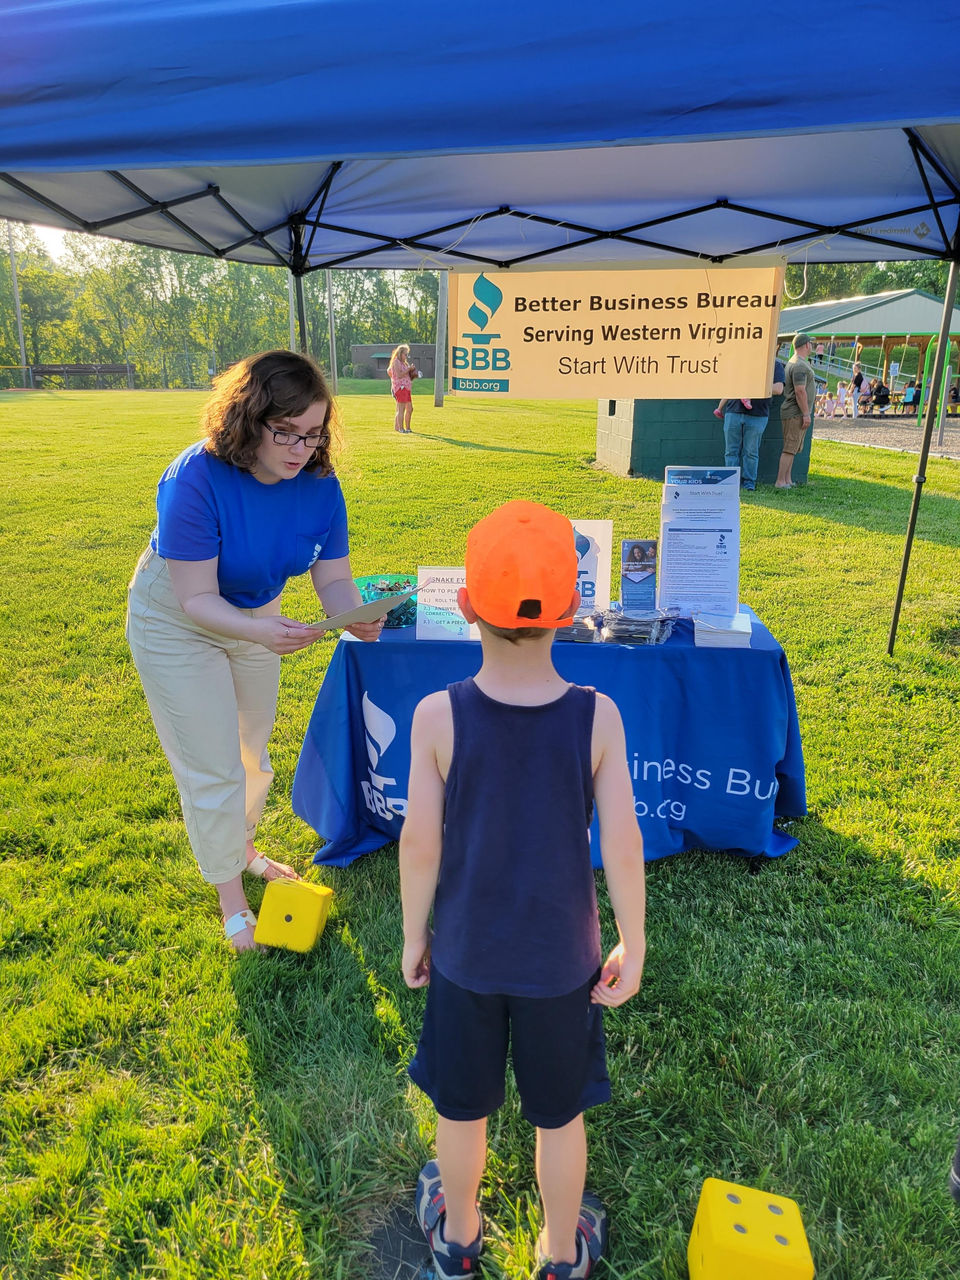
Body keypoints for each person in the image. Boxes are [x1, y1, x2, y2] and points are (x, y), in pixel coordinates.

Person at [400, 500, 646, 1280]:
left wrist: (413, 937)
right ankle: (562, 1251)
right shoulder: (598, 717)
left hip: (466, 957)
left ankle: (459, 1236)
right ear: (572, 608)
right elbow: (624, 842)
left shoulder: (435, 716)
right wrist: (633, 942)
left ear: (466, 604)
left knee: (460, 1110)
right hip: (562, 964)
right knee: (559, 1117)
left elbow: (419, 845)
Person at [126, 350, 386, 951]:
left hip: (257, 611)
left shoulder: (320, 484)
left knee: (251, 752)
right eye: (286, 431)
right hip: (179, 618)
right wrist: (261, 632)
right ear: (248, 418)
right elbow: (196, 598)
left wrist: (353, 617)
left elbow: (333, 577)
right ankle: (232, 903)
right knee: (212, 764)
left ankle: (241, 848)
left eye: (314, 434)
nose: (301, 448)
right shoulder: (194, 477)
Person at [714, 357, 786, 491]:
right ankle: (731, 483)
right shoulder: (740, 360)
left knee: (751, 452)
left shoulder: (775, 364)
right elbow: (728, 383)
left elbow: (778, 388)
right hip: (733, 411)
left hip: (758, 414)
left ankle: (749, 483)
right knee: (731, 451)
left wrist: (753, 388)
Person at [775, 333, 817, 489]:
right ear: (806, 345)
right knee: (789, 448)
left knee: (793, 449)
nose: (811, 346)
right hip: (795, 412)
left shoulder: (795, 362)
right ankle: (780, 481)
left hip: (795, 412)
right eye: (810, 343)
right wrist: (806, 413)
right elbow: (800, 391)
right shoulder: (799, 365)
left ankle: (787, 480)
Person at [388, 342, 416, 433]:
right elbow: (399, 375)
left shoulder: (404, 363)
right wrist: (408, 369)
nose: (406, 356)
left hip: (407, 388)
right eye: (405, 354)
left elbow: (406, 374)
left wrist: (412, 372)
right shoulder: (396, 362)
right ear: (400, 353)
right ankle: (401, 428)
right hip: (400, 387)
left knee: (410, 408)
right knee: (401, 409)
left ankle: (408, 428)